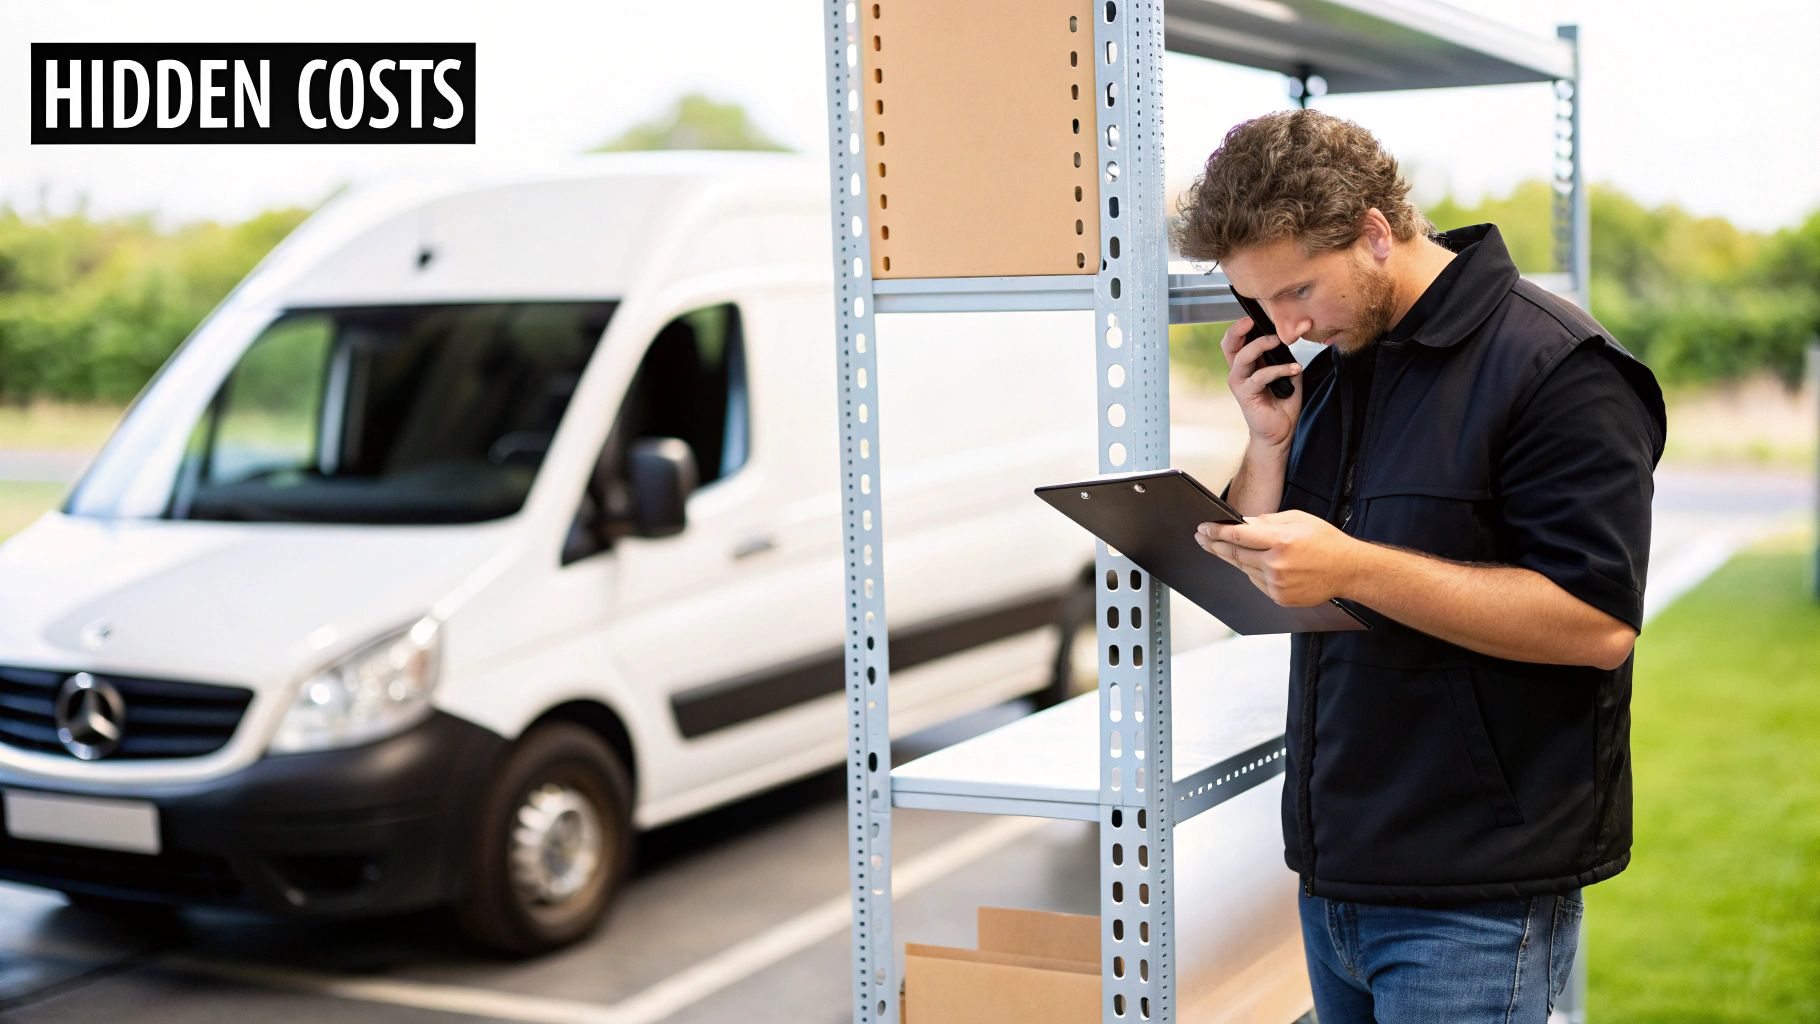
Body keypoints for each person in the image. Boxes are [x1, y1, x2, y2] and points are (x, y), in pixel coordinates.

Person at [1172, 108, 1667, 1022]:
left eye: (1298, 290)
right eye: (1260, 303)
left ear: (1373, 232)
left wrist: (1354, 567)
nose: (1288, 324)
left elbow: (1596, 625)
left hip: (1473, 896)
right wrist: (1267, 443)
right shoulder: (1337, 366)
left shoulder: (1560, 369)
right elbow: (1275, 577)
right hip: (1334, 872)